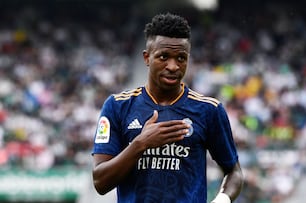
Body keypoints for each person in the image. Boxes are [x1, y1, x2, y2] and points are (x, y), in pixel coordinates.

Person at [91, 12, 244, 203]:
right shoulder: (118, 106)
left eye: (181, 58)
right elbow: (100, 182)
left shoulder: (209, 110)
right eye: (163, 57)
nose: (173, 66)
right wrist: (140, 144)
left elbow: (234, 171)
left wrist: (222, 199)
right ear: (147, 58)